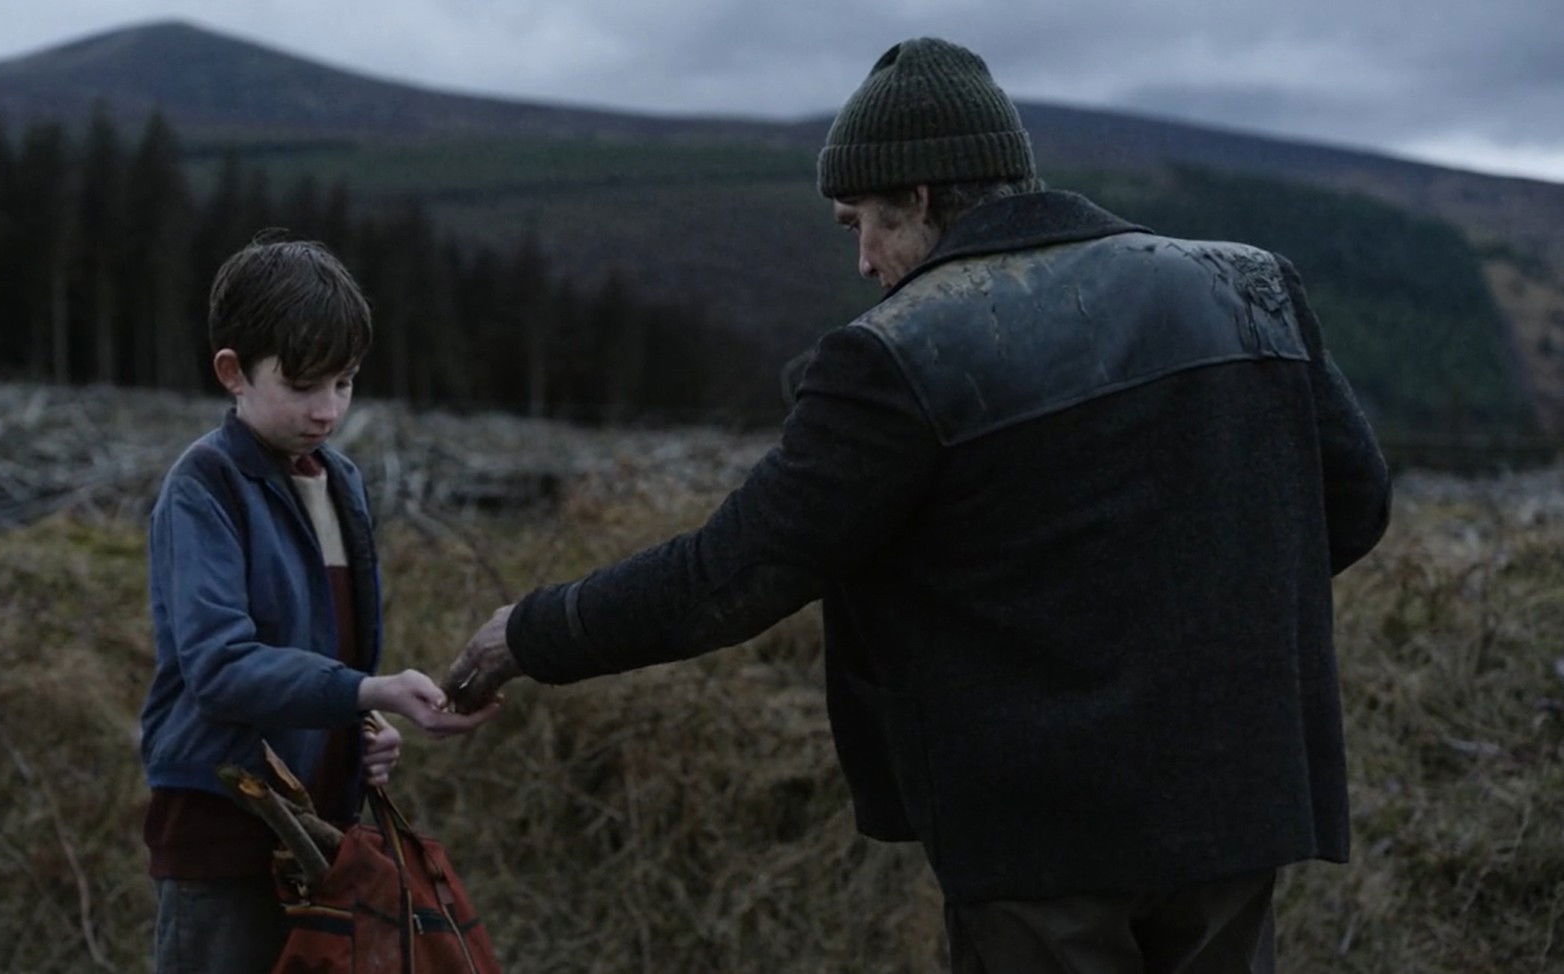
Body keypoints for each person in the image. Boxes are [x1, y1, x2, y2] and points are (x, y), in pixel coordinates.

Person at [443, 36, 1390, 974]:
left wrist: (529, 633)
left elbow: (728, 578)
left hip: (1041, 831)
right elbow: (1352, 505)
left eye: (859, 221)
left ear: (923, 197)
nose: (863, 260)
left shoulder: (897, 354)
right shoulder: (1248, 284)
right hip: (1239, 795)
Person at [139, 237, 499, 974]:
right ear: (233, 372)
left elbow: (326, 653)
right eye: (304, 385)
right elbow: (220, 668)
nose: (328, 410)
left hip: (327, 837)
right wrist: (367, 691)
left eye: (345, 383)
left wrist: (362, 730)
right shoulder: (203, 487)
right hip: (221, 832)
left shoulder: (342, 483)